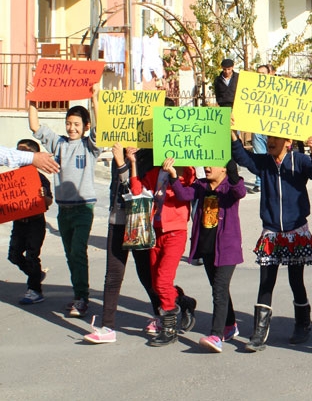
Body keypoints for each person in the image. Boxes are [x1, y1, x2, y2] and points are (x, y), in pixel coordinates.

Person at [231, 132, 312, 352]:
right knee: (266, 281)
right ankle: (259, 332)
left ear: (289, 142)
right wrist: (234, 134)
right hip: (272, 232)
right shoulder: (264, 163)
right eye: (269, 138)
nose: (271, 142)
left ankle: (303, 324)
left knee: (296, 281)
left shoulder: (299, 160)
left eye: (276, 138)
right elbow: (243, 158)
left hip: (295, 231)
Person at [28, 83, 101, 318]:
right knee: (70, 253)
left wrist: (96, 98)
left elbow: (100, 129)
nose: (71, 128)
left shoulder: (89, 146)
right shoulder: (58, 143)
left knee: (78, 250)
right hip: (63, 209)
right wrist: (32, 99)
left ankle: (82, 297)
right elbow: (34, 125)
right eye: (69, 123)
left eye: (77, 124)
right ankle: (78, 293)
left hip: (83, 208)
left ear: (85, 127)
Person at [83, 144, 162, 344]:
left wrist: (122, 162)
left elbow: (137, 191)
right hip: (117, 221)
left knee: (146, 274)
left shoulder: (150, 156)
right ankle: (107, 326)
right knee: (113, 276)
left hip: (138, 223)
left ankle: (164, 313)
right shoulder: (120, 150)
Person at [167, 158, 245, 353]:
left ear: (225, 169)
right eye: (206, 164)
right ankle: (230, 325)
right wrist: (174, 176)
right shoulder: (201, 185)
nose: (208, 168)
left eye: (213, 164)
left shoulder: (230, 187)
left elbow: (240, 191)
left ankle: (216, 335)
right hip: (208, 248)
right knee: (220, 288)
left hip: (227, 249)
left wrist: (233, 174)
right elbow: (184, 194)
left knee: (218, 290)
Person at [128, 151, 197, 346]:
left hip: (175, 232)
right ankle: (183, 302)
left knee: (162, 282)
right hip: (156, 232)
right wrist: (133, 163)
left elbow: (185, 191)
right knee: (155, 282)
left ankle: (169, 328)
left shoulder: (186, 170)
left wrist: (176, 172)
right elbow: (137, 191)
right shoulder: (153, 172)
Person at [8, 139, 53, 305]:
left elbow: (49, 201)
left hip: (35, 223)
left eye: (24, 153)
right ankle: (36, 275)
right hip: (19, 223)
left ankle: (34, 290)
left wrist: (43, 196)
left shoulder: (40, 178)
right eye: (17, 152)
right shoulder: (13, 178)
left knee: (32, 255)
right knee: (13, 255)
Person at [249, 64, 273, 193]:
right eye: (258, 73)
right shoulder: (252, 88)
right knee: (259, 155)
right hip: (257, 126)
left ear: (269, 74)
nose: (260, 76)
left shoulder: (277, 88)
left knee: (273, 155)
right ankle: (259, 182)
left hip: (272, 127)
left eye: (263, 73)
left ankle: (272, 180)